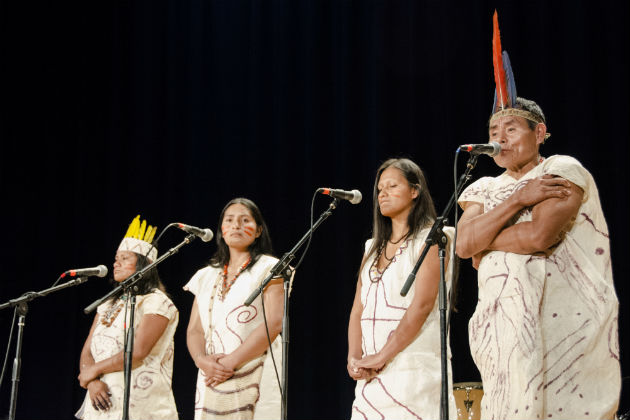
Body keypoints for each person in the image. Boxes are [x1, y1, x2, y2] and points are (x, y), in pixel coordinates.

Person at [455, 12, 621, 419]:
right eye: (494, 134)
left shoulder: (562, 169)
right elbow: (461, 245)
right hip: (502, 332)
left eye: (512, 130)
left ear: (539, 133)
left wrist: (486, 243)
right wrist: (516, 203)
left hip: (562, 325)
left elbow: (539, 237)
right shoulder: (484, 187)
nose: (500, 140)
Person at [347, 158, 457, 419]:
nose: (383, 193)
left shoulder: (434, 238)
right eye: (380, 189)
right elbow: (357, 310)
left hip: (413, 370)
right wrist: (355, 356)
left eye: (392, 186)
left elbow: (421, 306)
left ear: (415, 191)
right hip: (370, 377)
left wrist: (381, 356)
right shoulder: (371, 247)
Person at [184, 198, 289, 420]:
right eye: (229, 220)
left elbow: (274, 322)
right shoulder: (206, 275)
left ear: (258, 230)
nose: (236, 226)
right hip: (211, 373)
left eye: (245, 220)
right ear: (221, 230)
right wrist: (202, 361)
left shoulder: (271, 268)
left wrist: (229, 363)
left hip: (253, 368)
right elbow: (195, 330)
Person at [75, 215, 179, 419]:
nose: (116, 264)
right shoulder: (106, 304)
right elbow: (87, 351)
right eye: (116, 258)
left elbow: (138, 353)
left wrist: (93, 371)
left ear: (143, 264)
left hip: (141, 403)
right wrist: (93, 382)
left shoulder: (157, 302)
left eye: (125, 258)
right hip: (101, 403)